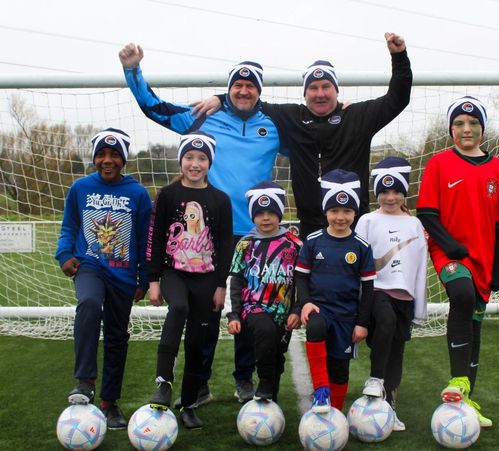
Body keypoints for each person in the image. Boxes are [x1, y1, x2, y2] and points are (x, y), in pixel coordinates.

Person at [119, 44, 283, 404]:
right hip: (205, 236)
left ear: (259, 91)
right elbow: (155, 108)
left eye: (250, 85)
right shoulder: (204, 115)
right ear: (229, 89)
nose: (243, 90)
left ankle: (244, 380)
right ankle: (200, 385)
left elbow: (312, 134)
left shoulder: (273, 126)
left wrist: (340, 114)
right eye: (237, 85)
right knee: (204, 310)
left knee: (250, 311)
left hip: (257, 234)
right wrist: (133, 71)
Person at [194, 32, 412, 239]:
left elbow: (397, 98)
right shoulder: (291, 116)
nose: (320, 94)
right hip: (310, 228)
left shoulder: (357, 116)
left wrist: (399, 56)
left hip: (353, 223)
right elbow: (248, 99)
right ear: (305, 93)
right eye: (313, 88)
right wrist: (222, 98)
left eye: (326, 87)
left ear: (336, 90)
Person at [416, 96, 499, 428]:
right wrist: (450, 246)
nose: (466, 128)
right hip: (449, 253)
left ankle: (467, 396)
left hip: (483, 258)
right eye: (459, 123)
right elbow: (427, 213)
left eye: (473, 123)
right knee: (460, 294)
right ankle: (457, 379)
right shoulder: (439, 163)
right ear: (450, 129)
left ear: (482, 129)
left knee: (474, 323)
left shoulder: (497, 167)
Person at [55, 128, 152, 430]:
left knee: (116, 338)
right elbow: (69, 226)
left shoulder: (138, 194)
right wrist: (63, 254)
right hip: (90, 266)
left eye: (114, 155)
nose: (107, 161)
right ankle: (84, 381)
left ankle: (110, 403)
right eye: (101, 155)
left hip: (123, 276)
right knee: (88, 303)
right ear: (94, 158)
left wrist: (144, 279)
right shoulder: (80, 188)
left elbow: (145, 240)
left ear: (123, 160)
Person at [145, 132, 233, 429]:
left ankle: (189, 402)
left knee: (199, 339)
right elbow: (156, 238)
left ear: (210, 162)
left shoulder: (220, 200)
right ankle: (163, 382)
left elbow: (224, 245)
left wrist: (221, 285)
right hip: (174, 273)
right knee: (178, 308)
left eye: (202, 158)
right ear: (181, 160)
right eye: (189, 158)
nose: (195, 164)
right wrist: (154, 279)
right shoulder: (168, 195)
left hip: (207, 278)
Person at [354, 157, 428, 432]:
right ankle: (375, 379)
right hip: (376, 292)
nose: (390, 197)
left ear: (404, 193)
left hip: (405, 300)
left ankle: (389, 407)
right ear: (377, 193)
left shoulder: (415, 225)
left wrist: (420, 309)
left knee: (396, 352)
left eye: (396, 191)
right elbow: (358, 263)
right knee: (384, 321)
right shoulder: (367, 221)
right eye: (384, 191)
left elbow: (421, 268)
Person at [295, 169, 376, 413]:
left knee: (339, 369)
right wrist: (306, 302)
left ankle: (337, 413)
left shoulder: (361, 247)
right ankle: (321, 391)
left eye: (347, 211)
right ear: (325, 211)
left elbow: (368, 288)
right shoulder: (313, 241)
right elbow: (301, 276)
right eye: (334, 211)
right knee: (316, 327)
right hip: (320, 309)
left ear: (355, 212)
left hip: (346, 316)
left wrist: (362, 323)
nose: (340, 217)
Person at [226, 181, 303, 401]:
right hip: (254, 307)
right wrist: (234, 314)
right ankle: (264, 383)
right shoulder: (245, 244)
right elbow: (237, 280)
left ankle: (269, 400)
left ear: (280, 213)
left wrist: (297, 309)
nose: (266, 218)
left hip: (283, 313)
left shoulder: (294, 245)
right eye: (260, 213)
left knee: (276, 358)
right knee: (265, 332)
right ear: (252, 216)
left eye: (271, 212)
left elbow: (302, 282)